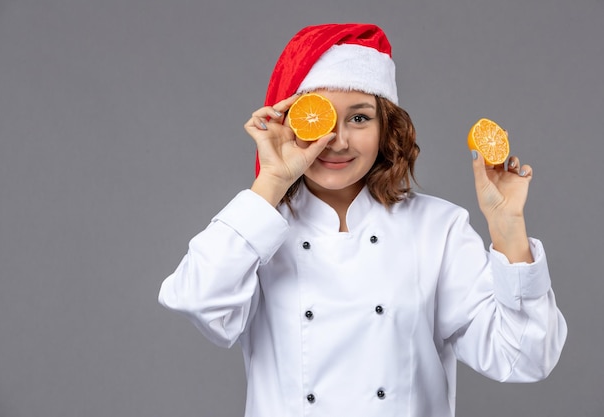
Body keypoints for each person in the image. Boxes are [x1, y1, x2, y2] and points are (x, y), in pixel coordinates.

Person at [158, 23, 567, 417]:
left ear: (386, 128)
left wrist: (508, 225)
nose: (337, 140)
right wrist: (272, 181)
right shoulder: (259, 230)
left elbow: (525, 358)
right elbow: (198, 300)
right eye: (317, 119)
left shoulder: (437, 228)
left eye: (359, 118)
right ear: (287, 124)